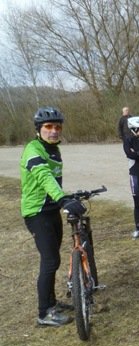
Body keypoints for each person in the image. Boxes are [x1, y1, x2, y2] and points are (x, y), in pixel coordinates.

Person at [21, 107, 87, 326]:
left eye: (57, 127)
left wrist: (65, 197)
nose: (54, 131)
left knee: (54, 258)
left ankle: (51, 303)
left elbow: (54, 182)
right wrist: (62, 199)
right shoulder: (33, 149)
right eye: (48, 127)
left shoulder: (53, 150)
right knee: (49, 261)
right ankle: (43, 314)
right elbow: (43, 176)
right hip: (37, 212)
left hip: (51, 210)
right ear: (38, 129)